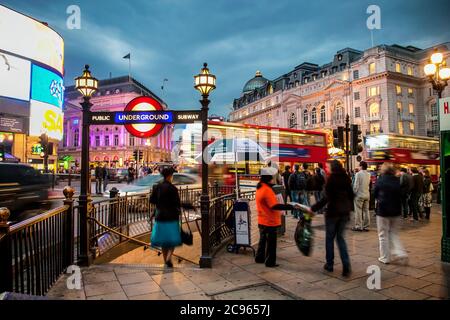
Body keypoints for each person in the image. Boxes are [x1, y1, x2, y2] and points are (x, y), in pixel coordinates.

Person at [308, 160, 353, 277]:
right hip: (344, 213)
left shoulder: (331, 179)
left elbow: (325, 199)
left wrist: (313, 209)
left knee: (329, 239)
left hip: (333, 213)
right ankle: (346, 266)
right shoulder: (347, 178)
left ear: (332, 168)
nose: (327, 169)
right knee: (340, 239)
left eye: (328, 167)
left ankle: (329, 264)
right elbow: (352, 195)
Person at [255, 167, 297, 268]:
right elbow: (274, 206)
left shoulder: (260, 187)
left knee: (262, 240)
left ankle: (259, 258)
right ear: (269, 178)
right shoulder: (267, 190)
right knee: (271, 243)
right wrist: (290, 207)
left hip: (261, 219)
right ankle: (270, 262)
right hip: (270, 221)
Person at [374, 163, 408, 264]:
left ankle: (385, 257)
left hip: (383, 211)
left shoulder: (380, 180)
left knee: (383, 235)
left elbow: (375, 193)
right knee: (394, 233)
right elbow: (401, 194)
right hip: (396, 211)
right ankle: (401, 253)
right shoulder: (397, 180)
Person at [150, 168, 182, 267]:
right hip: (172, 216)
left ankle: (165, 261)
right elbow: (177, 203)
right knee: (172, 238)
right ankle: (169, 257)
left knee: (164, 240)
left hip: (160, 216)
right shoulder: (173, 189)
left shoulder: (157, 187)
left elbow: (152, 200)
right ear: (169, 176)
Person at [352, 161, 371, 232]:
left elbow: (356, 185)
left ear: (361, 166)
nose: (358, 167)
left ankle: (358, 226)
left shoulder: (358, 174)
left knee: (358, 211)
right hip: (367, 194)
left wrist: (354, 193)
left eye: (359, 166)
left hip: (359, 195)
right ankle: (366, 226)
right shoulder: (368, 174)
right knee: (366, 210)